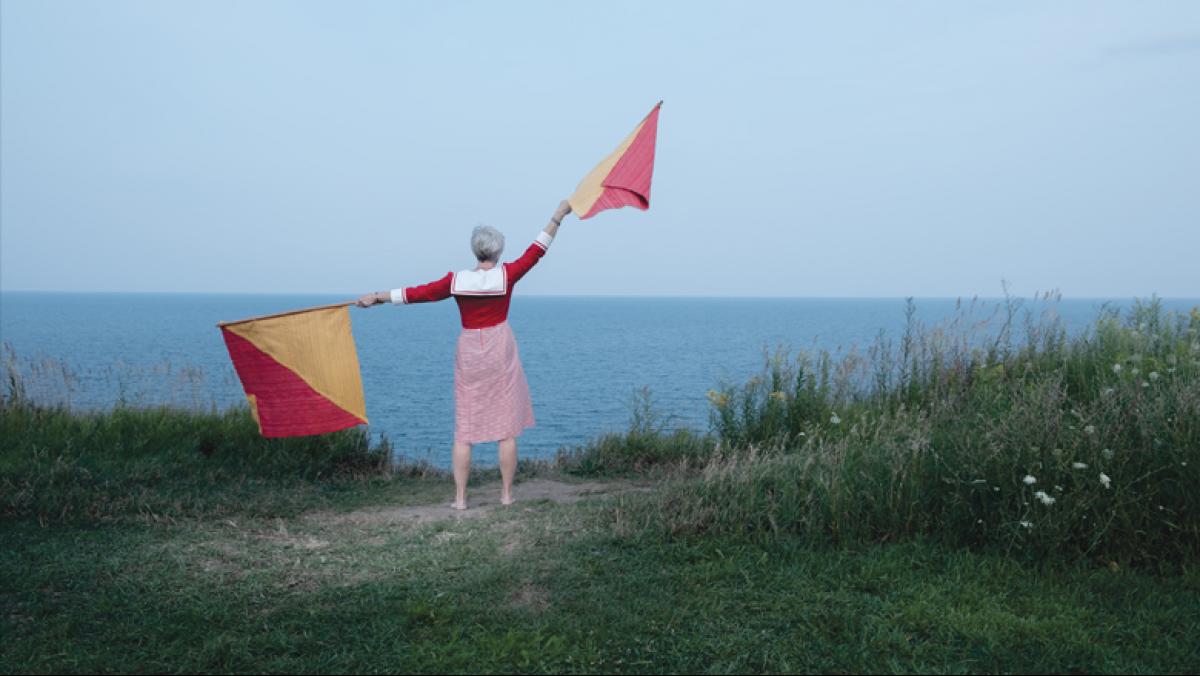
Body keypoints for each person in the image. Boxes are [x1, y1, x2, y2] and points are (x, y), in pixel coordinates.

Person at [357, 200, 572, 510]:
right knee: (506, 428)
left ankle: (459, 499)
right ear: (497, 252)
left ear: (476, 251)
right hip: (500, 347)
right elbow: (537, 250)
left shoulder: (456, 281)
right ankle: (507, 495)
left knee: (465, 427)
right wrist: (558, 216)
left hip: (469, 349)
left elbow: (417, 293)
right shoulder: (507, 275)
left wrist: (376, 297)